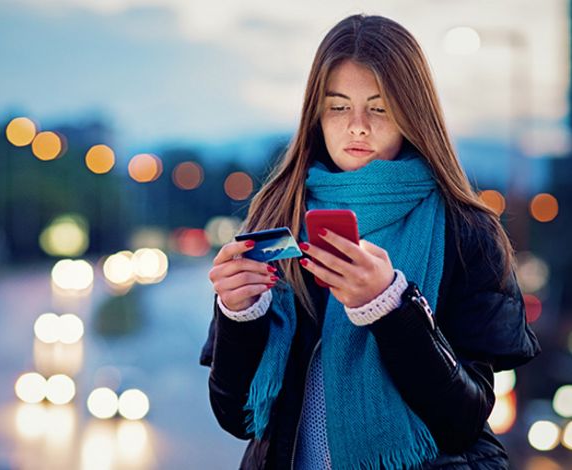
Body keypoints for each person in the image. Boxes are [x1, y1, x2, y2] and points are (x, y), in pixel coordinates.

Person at [199, 13, 540, 470]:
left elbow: (464, 420)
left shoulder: (465, 230)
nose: (357, 126)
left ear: (412, 114)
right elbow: (237, 418)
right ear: (315, 115)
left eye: (379, 108)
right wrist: (239, 314)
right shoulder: (279, 215)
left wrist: (390, 306)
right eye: (338, 106)